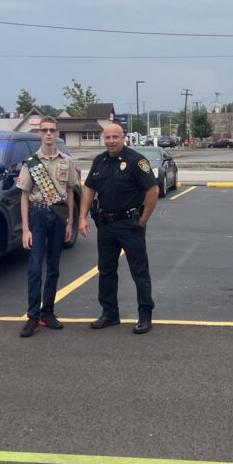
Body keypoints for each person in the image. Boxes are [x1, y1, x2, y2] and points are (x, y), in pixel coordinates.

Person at [78, 122, 159, 334]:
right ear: (104, 139)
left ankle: (145, 315)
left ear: (124, 138)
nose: (111, 141)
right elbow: (89, 189)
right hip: (105, 224)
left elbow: (153, 190)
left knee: (139, 271)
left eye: (115, 137)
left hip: (129, 225)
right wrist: (82, 217)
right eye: (108, 137)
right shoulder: (99, 161)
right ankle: (110, 313)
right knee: (106, 270)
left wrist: (144, 219)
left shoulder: (136, 161)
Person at [17, 117, 78, 338]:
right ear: (40, 134)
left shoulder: (66, 161)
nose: (49, 134)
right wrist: (25, 228)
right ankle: (32, 317)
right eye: (45, 130)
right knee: (34, 268)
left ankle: (47, 312)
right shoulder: (31, 162)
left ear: (57, 133)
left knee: (53, 267)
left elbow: (70, 192)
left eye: (52, 130)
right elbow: (24, 196)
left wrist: (70, 222)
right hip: (38, 214)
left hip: (59, 216)